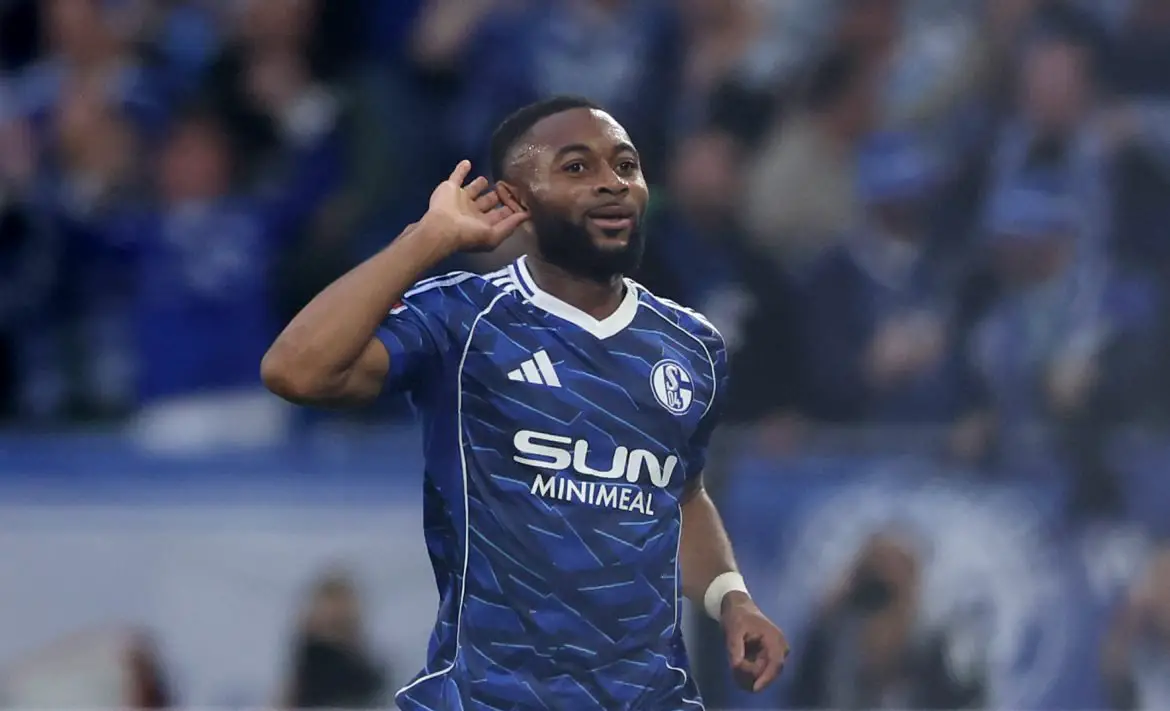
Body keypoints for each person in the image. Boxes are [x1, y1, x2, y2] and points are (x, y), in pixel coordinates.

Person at [261, 95, 788, 710]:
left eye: (625, 166)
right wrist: (425, 240)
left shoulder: (691, 345)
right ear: (516, 200)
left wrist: (732, 598)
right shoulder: (462, 319)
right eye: (576, 168)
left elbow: (683, 494)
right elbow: (295, 369)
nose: (612, 185)